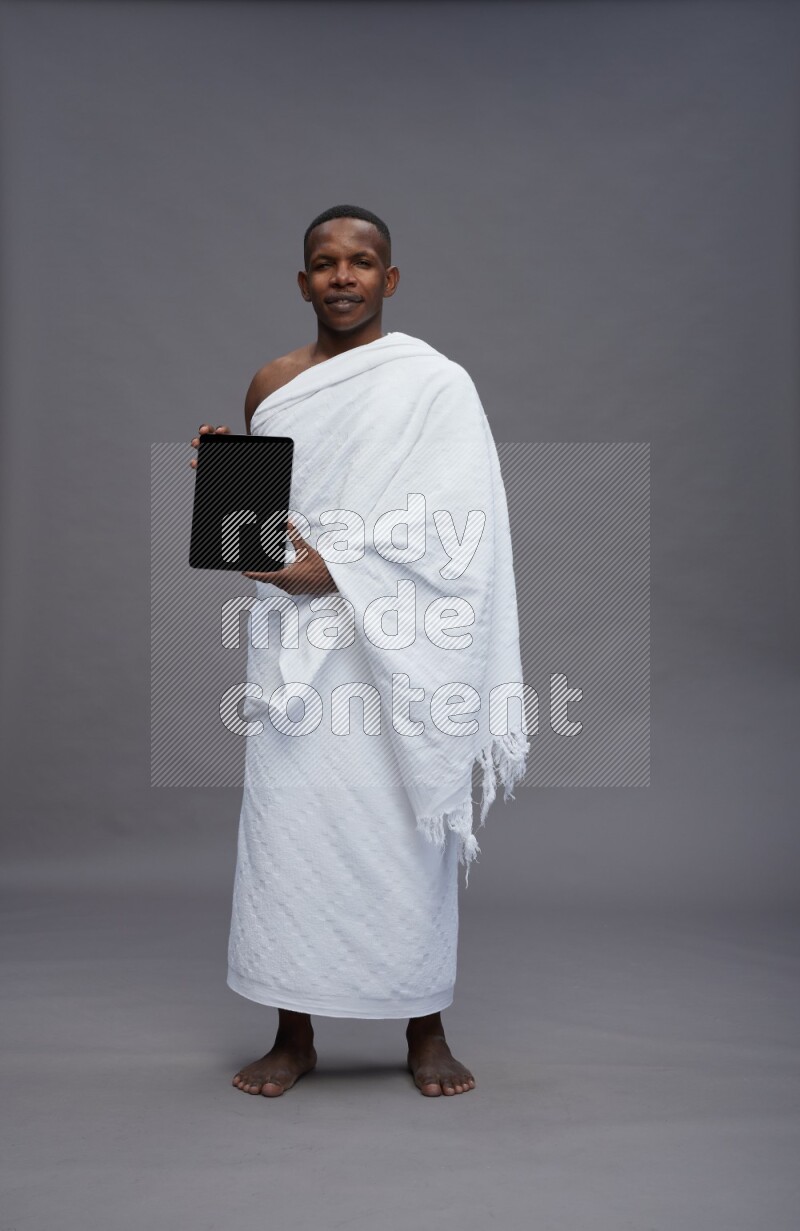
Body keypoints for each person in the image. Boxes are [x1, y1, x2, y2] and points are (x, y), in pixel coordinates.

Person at [190, 204, 526, 1097]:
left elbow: (458, 527)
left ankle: (424, 1024)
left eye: (363, 261)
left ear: (391, 279)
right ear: (303, 281)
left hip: (402, 649)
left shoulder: (436, 384)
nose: (344, 276)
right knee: (290, 830)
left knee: (404, 826)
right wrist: (225, 481)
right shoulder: (273, 384)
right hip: (301, 647)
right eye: (326, 263)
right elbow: (257, 538)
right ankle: (292, 1032)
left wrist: (338, 567)